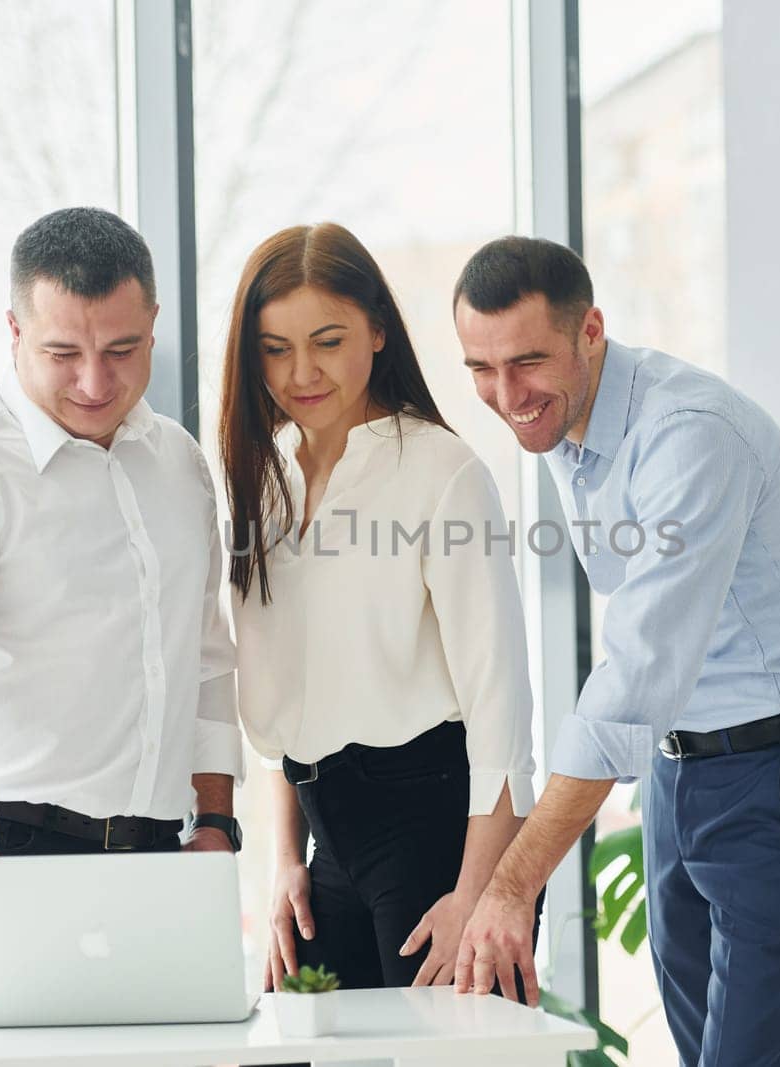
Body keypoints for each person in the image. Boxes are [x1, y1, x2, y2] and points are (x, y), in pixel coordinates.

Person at [449, 236, 780, 1067]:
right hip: (682, 772)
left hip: (776, 771)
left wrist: (510, 882)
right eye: (481, 369)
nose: (506, 394)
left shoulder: (688, 436)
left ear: (591, 329)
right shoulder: (568, 423)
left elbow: (637, 671)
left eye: (527, 361)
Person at [0, 207, 245, 1009]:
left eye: (122, 350)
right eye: (62, 353)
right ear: (13, 330)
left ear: (153, 323)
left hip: (158, 863)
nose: (95, 383)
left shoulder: (176, 461)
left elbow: (205, 653)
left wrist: (217, 822)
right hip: (0, 849)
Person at [220, 222, 537, 997]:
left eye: (328, 340)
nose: (302, 371)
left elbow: (501, 710)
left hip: (435, 834)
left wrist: (481, 895)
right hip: (326, 839)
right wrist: (284, 860)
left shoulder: (441, 471)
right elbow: (285, 700)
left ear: (378, 332)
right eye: (274, 347)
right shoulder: (264, 482)